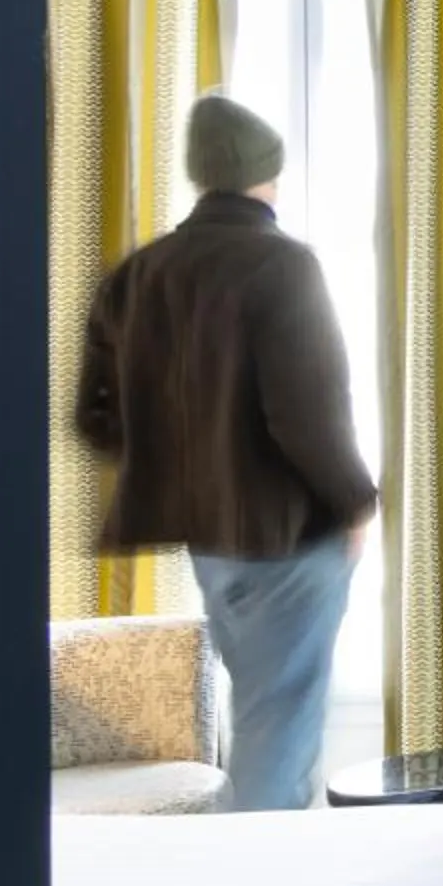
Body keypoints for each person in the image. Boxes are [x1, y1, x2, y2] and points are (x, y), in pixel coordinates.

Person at [73, 94, 377, 811]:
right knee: (279, 732)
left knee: (262, 719)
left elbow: (95, 418)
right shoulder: (283, 266)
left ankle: (248, 883)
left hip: (211, 545)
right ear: (266, 174)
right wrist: (358, 503)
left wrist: (186, 450)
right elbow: (307, 416)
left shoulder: (139, 274)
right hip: (291, 539)